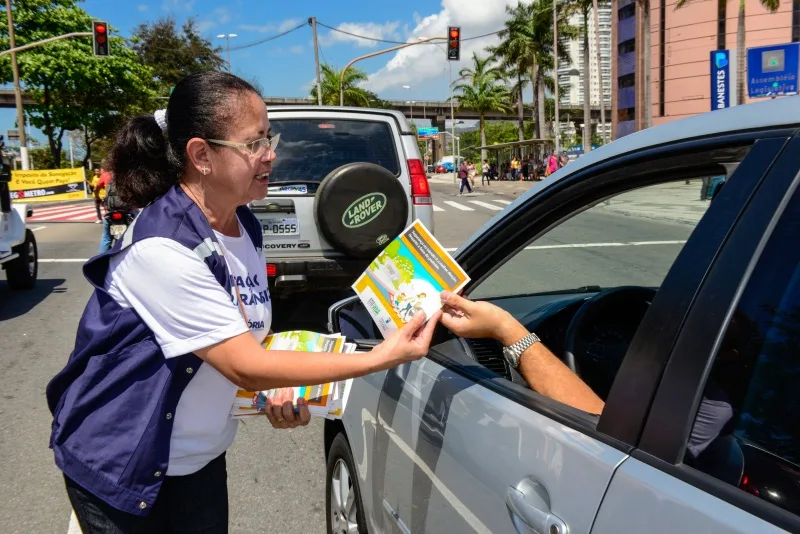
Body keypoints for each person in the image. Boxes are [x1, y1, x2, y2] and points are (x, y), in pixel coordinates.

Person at [45, 71, 442, 534]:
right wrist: (378, 357)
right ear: (201, 156)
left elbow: (246, 340)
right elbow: (245, 364)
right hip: (123, 464)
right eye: (253, 143)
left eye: (269, 137)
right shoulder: (163, 247)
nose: (271, 154)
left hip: (199, 460)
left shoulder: (244, 226)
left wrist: (280, 391)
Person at [439, 291, 737, 463]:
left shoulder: (713, 409)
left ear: (729, 354)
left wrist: (505, 328)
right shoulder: (708, 392)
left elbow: (607, 439)